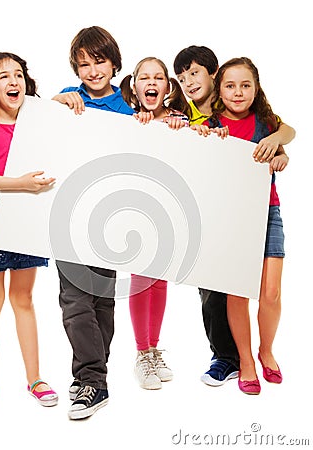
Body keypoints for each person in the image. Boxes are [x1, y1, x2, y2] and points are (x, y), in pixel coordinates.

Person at [173, 46, 295, 387]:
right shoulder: (207, 122)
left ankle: (266, 351)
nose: (237, 92)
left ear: (256, 88)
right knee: (234, 291)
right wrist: (204, 136)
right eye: (231, 86)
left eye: (245, 86)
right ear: (220, 87)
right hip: (226, 217)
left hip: (267, 211)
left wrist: (280, 153)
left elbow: (287, 136)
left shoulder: (265, 122)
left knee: (270, 292)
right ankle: (243, 362)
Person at [0, 52, 58, 413]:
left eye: (19, 75)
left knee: (24, 299)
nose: (13, 82)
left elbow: (61, 116)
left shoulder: (35, 120)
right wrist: (18, 184)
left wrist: (62, 100)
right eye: (4, 76)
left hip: (27, 214)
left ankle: (35, 378)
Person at [52, 26, 135, 420]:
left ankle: (91, 372)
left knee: (101, 301)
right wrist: (55, 103)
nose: (92, 70)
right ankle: (92, 379)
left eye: (98, 61)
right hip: (70, 213)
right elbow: (38, 128)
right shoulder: (70, 102)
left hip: (111, 217)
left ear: (114, 63)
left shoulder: (129, 107)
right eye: (83, 64)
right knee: (74, 301)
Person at [119, 57, 190, 390]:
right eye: (144, 77)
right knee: (140, 277)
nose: (152, 82)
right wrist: (139, 123)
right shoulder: (129, 119)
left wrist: (187, 128)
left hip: (169, 211)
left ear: (168, 86)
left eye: (158, 77)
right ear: (135, 86)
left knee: (160, 280)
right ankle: (140, 353)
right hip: (136, 209)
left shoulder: (180, 120)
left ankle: (153, 349)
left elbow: (199, 151)